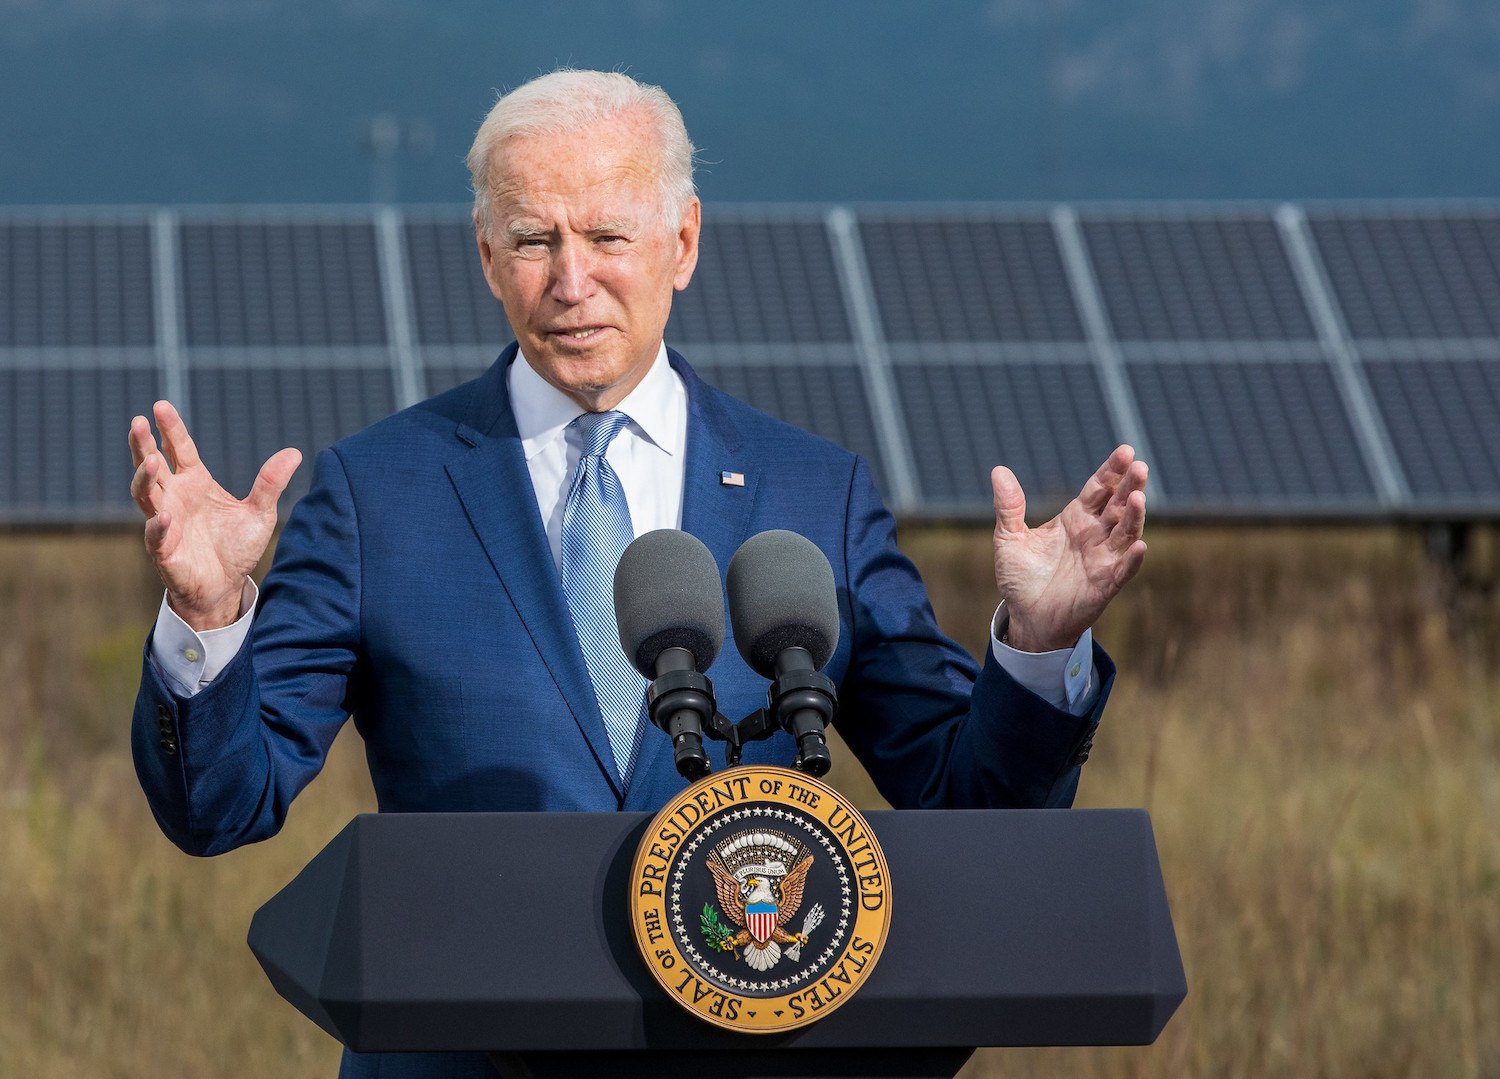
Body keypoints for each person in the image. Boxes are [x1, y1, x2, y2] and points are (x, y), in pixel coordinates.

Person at [127, 70, 1147, 1079]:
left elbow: (965, 807)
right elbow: (222, 805)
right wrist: (207, 614)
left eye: (609, 236)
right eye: (534, 240)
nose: (571, 282)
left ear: (684, 243)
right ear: (488, 257)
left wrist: (1039, 644)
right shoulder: (375, 491)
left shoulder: (813, 491)